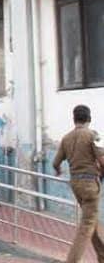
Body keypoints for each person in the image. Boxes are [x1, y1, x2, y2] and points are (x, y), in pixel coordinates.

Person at [52, 105, 104, 263]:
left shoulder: (66, 138)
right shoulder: (93, 135)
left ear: (74, 119)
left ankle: (102, 255)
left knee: (90, 220)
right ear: (89, 118)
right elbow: (102, 159)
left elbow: (55, 162)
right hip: (90, 184)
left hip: (75, 183)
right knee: (87, 224)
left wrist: (59, 171)